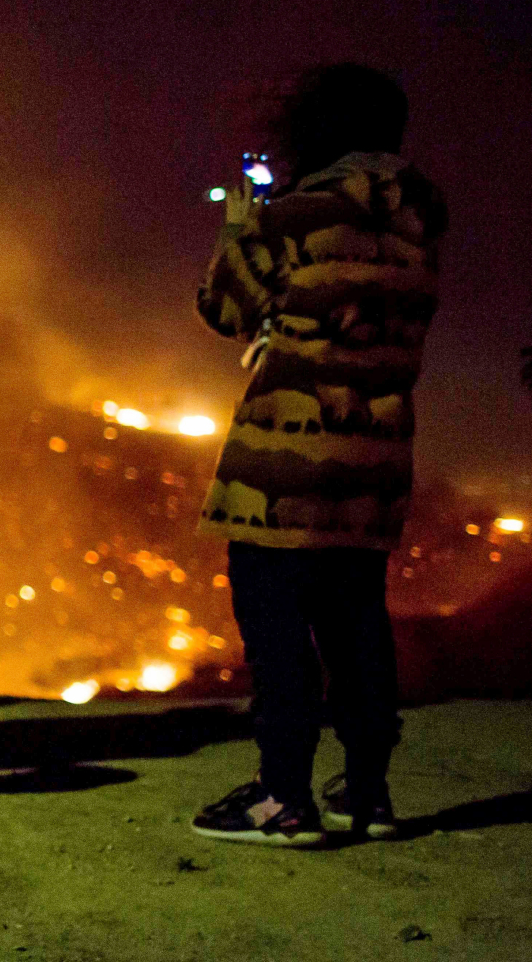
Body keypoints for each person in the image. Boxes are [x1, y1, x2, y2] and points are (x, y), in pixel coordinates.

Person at [190, 63, 446, 846]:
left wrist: (242, 212)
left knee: (276, 625)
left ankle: (283, 797)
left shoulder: (295, 215)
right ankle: (366, 792)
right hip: (374, 462)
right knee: (358, 621)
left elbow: (222, 304)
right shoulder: (419, 222)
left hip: (284, 464)